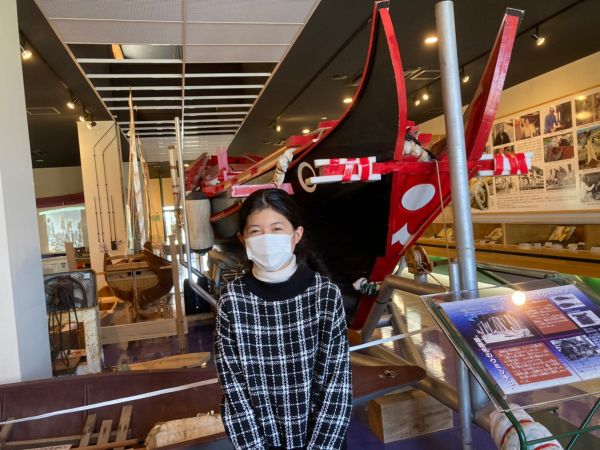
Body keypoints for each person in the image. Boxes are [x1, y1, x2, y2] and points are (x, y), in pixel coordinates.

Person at [215, 188, 352, 450]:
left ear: (296, 235)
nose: (267, 239)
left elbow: (337, 384)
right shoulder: (232, 300)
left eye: (277, 229)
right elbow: (234, 389)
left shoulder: (325, 295)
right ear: (243, 239)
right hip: (262, 443)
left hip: (321, 440)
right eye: (256, 231)